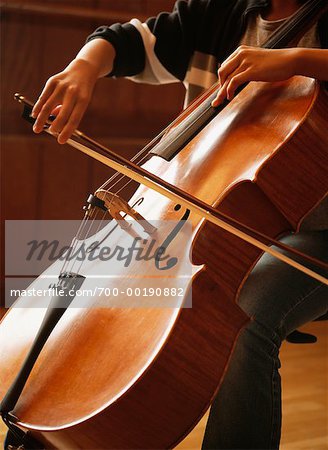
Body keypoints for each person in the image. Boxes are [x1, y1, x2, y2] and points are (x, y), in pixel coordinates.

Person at [6, 0, 328, 449]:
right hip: (210, 216)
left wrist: (298, 59)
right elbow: (126, 41)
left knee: (247, 312)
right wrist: (83, 66)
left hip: (316, 236)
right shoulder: (221, 12)